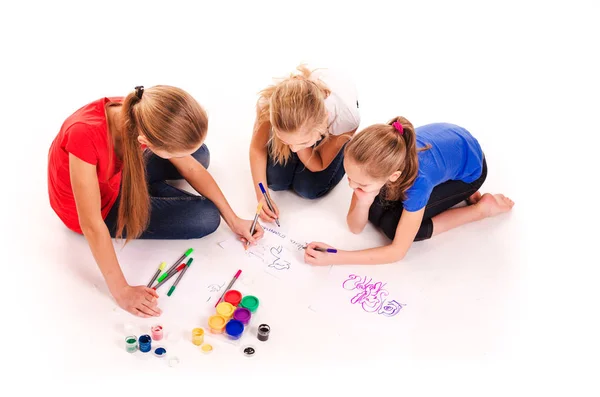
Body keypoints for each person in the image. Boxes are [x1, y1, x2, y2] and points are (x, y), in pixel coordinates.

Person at [48, 85, 264, 317]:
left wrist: (233, 219)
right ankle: (155, 190)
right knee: (207, 217)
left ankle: (153, 188)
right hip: (95, 207)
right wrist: (121, 290)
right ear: (145, 141)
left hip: (120, 175)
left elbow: (191, 166)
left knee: (199, 154)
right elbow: (91, 224)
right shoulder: (85, 135)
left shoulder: (141, 111)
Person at [304, 117, 514, 266]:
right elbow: (355, 227)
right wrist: (364, 201)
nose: (352, 186)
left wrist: (336, 256)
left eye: (361, 185)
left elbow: (397, 251)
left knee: (393, 227)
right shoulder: (367, 164)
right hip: (451, 148)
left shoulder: (417, 183)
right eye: (350, 178)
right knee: (376, 211)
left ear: (393, 176)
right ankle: (451, 179)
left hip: (471, 173)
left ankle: (481, 209)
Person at [249, 64, 360, 223]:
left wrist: (300, 145)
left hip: (335, 124)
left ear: (322, 123)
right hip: (306, 120)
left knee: (309, 188)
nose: (293, 149)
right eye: (285, 140)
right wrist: (262, 195)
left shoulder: (345, 118)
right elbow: (257, 149)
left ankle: (331, 143)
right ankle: (296, 138)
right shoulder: (269, 104)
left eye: (302, 142)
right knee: (274, 180)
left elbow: (317, 164)